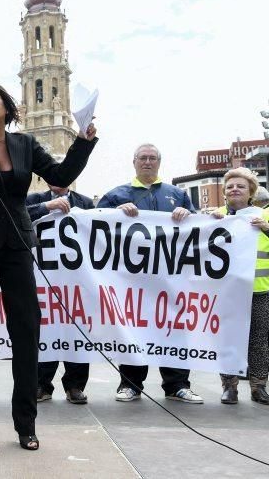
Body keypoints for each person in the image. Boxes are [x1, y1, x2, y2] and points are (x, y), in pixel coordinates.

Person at [0, 80, 97, 452]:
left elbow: (59, 178)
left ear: (7, 107)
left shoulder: (24, 144)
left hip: (16, 246)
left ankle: (26, 424)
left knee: (26, 334)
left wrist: (84, 141)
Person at [97, 143, 203, 404]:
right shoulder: (117, 195)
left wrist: (188, 214)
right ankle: (131, 384)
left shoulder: (176, 195)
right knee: (134, 329)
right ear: (134, 162)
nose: (147, 162)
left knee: (175, 328)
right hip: (132, 280)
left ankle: (177, 384)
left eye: (152, 158)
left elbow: (200, 227)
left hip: (171, 279)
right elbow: (96, 222)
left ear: (159, 163)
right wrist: (115, 214)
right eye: (142, 158)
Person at [25, 185, 95, 405]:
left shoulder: (85, 202)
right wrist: (47, 207)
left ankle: (75, 386)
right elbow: (18, 214)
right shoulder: (34, 200)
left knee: (77, 332)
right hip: (43, 279)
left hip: (76, 280)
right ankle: (41, 384)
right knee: (45, 331)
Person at [211, 168, 269, 405]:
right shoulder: (215, 216)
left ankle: (258, 387)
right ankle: (229, 386)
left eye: (241, 186)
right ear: (224, 193)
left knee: (259, 340)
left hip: (260, 289)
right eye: (230, 186)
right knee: (228, 339)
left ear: (251, 192)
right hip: (227, 292)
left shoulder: (265, 216)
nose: (235, 189)